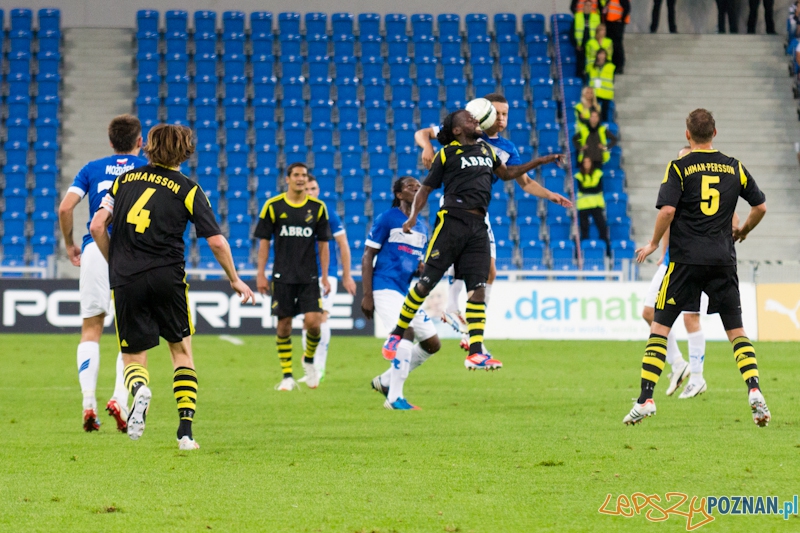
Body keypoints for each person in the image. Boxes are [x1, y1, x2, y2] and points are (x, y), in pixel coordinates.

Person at [89, 123, 255, 450]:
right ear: (185, 151)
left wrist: (116, 262)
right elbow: (216, 241)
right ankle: (185, 433)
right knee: (181, 353)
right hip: (168, 277)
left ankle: (139, 391)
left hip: (127, 278)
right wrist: (234, 278)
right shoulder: (188, 189)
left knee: (133, 356)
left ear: (148, 147)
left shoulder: (124, 181)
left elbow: (96, 226)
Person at [382, 109, 563, 369]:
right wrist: (412, 217)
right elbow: (426, 189)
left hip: (479, 226)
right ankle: (397, 333)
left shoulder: (487, 150)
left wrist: (541, 160)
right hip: (451, 223)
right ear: (457, 130)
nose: (476, 121)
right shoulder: (446, 154)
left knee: (478, 288)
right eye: (470, 119)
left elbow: (508, 174)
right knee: (425, 284)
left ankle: (475, 352)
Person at [623, 109, 770, 426]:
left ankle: (646, 398)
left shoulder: (679, 167)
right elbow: (760, 207)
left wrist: (653, 243)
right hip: (722, 260)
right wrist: (744, 230)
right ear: (715, 133)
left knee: (659, 328)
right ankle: (754, 389)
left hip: (685, 262)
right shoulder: (735, 167)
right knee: (737, 331)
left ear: (687, 135)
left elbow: (667, 211)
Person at [58, 114, 148, 433]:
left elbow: (65, 208)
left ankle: (88, 403)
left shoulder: (91, 168)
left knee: (91, 328)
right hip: (133, 252)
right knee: (132, 332)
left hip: (95, 248)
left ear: (111, 142)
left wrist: (70, 244)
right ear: (140, 141)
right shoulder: (148, 170)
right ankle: (119, 400)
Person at [363, 177, 442, 410]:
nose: (416, 190)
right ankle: (394, 398)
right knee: (405, 331)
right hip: (384, 286)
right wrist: (367, 295)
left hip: (404, 290)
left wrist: (420, 269)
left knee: (432, 343)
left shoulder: (422, 227)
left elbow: (412, 261)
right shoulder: (388, 218)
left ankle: (386, 380)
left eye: (419, 187)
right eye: (410, 187)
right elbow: (368, 255)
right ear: (399, 194)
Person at [640, 147, 711, 400]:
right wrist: (662, 251)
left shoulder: (698, 187)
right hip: (673, 261)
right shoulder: (680, 183)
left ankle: (696, 377)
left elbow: (732, 218)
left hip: (689, 262)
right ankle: (679, 364)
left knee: (689, 318)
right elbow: (669, 218)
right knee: (649, 313)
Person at [255, 163, 331, 392]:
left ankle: (309, 360)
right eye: (296, 175)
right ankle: (287, 376)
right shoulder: (273, 206)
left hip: (309, 276)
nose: (300, 179)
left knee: (314, 323)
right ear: (287, 179)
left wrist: (325, 276)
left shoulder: (318, 208)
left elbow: (324, 245)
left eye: (303, 175)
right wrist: (260, 273)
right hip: (282, 275)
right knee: (284, 326)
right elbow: (264, 242)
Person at [298, 175, 357, 384]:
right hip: (302, 274)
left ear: (318, 191)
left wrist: (346, 275)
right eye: (307, 189)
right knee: (307, 321)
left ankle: (319, 366)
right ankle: (310, 367)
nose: (310, 192)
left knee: (322, 317)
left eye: (313, 188)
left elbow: (343, 244)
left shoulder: (327, 213)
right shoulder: (295, 214)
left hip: (326, 274)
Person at [574, 157, 610, 252]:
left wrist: (588, 189)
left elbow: (598, 188)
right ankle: (583, 251)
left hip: (596, 205)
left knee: (602, 227)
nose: (587, 164)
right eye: (585, 162)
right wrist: (592, 189)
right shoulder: (579, 175)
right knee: (584, 229)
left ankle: (607, 251)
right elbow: (582, 189)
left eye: (588, 161)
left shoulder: (598, 173)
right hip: (583, 206)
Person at [572, 1, 601, 77]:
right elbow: (572, 32)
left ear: (592, 7)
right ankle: (580, 79)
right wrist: (576, 44)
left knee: (591, 64)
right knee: (580, 65)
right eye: (586, 5)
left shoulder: (596, 17)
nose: (588, 7)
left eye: (589, 6)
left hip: (592, 46)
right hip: (580, 46)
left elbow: (599, 32)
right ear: (583, 6)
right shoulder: (577, 17)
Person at [601, 0, 630, 74]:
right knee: (612, 44)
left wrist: (621, 19)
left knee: (617, 44)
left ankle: (619, 65)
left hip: (617, 23)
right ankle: (614, 64)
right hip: (610, 22)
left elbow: (627, 8)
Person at [586, 49, 615, 122]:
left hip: (606, 92)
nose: (601, 56)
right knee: (593, 111)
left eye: (603, 54)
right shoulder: (592, 66)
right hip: (594, 93)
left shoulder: (611, 66)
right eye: (600, 54)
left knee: (604, 112)